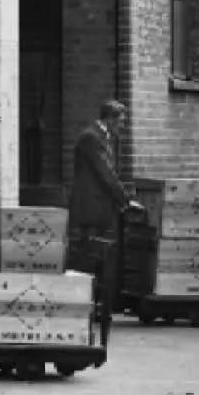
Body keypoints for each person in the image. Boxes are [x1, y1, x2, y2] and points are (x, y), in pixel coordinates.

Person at [65, 100, 143, 291]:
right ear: (110, 119)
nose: (123, 126)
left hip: (98, 207)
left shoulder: (101, 137)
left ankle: (90, 294)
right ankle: (77, 293)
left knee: (95, 252)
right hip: (91, 207)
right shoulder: (91, 137)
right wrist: (125, 200)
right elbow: (106, 172)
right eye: (121, 121)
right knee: (87, 253)